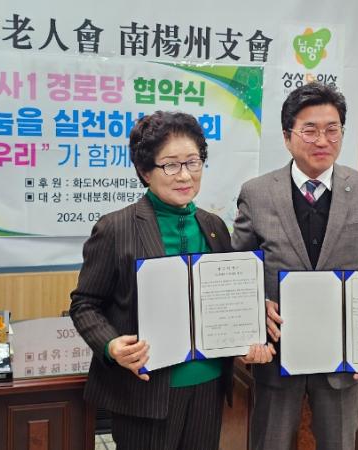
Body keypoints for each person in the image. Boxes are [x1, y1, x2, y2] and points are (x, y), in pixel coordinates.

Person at [70, 111, 275, 450]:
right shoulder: (116, 228)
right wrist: (111, 346)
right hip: (146, 390)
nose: (184, 175)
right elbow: (85, 304)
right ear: (144, 171)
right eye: (170, 165)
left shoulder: (214, 227)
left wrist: (250, 333)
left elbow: (226, 301)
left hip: (209, 385)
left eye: (193, 162)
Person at [232, 83, 358, 450]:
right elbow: (239, 271)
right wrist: (257, 309)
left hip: (341, 359)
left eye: (332, 129)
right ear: (287, 137)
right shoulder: (257, 193)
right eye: (310, 130)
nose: (322, 140)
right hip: (276, 356)